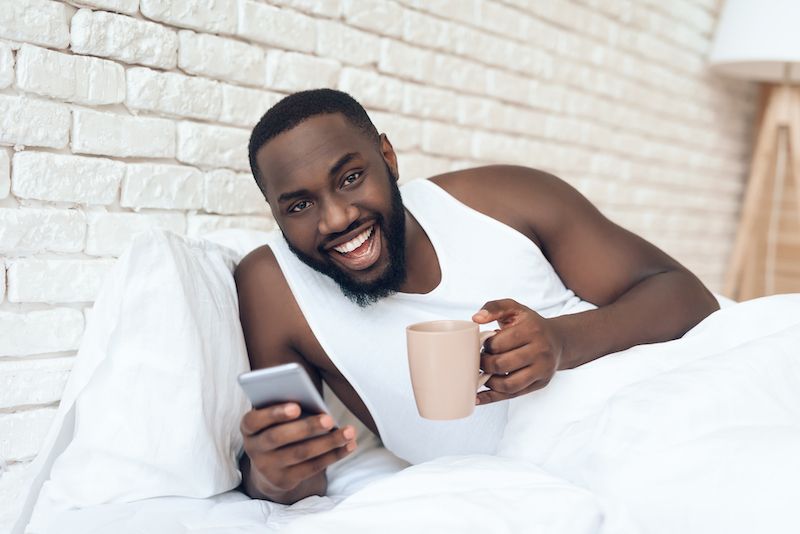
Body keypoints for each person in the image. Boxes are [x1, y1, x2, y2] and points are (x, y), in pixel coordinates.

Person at [234, 88, 720, 505]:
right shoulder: (271, 286)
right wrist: (271, 476)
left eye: (350, 178)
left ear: (388, 158)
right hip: (522, 501)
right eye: (299, 205)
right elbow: (301, 471)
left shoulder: (502, 197)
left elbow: (687, 295)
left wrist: (562, 341)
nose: (337, 219)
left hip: (662, 427)